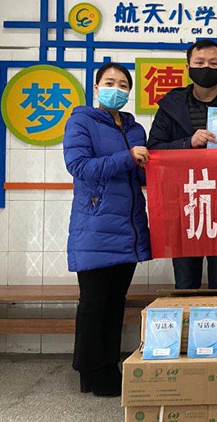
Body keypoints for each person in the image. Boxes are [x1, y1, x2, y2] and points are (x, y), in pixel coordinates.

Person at [63, 62, 151, 397]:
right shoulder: (81, 121)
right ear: (97, 88)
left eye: (123, 84)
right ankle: (91, 371)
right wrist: (128, 158)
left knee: (115, 302)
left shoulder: (134, 128)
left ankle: (107, 367)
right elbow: (79, 167)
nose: (117, 89)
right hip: (96, 225)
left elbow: (140, 174)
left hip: (128, 228)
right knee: (94, 303)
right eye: (110, 82)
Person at [147, 39, 217, 289]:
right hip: (184, 201)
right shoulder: (170, 106)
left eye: (213, 63)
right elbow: (154, 149)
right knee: (186, 280)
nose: (206, 68)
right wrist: (188, 142)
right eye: (199, 63)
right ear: (188, 67)